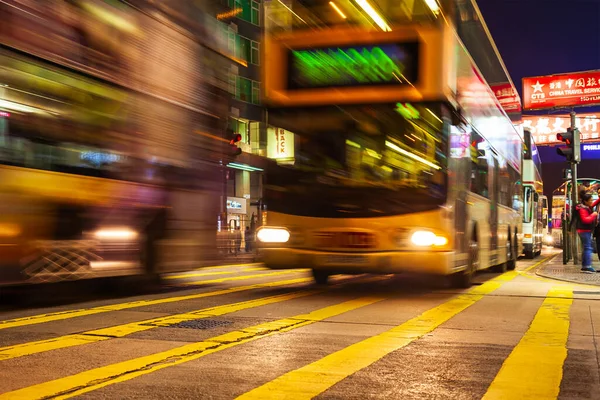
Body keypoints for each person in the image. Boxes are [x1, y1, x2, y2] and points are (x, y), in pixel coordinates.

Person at [575, 191, 600, 273]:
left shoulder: (586, 206)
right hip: (584, 230)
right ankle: (587, 266)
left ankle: (584, 265)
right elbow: (585, 220)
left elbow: (593, 203)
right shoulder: (583, 209)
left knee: (586, 247)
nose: (592, 202)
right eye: (590, 200)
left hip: (585, 230)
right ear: (585, 201)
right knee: (588, 248)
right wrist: (594, 214)